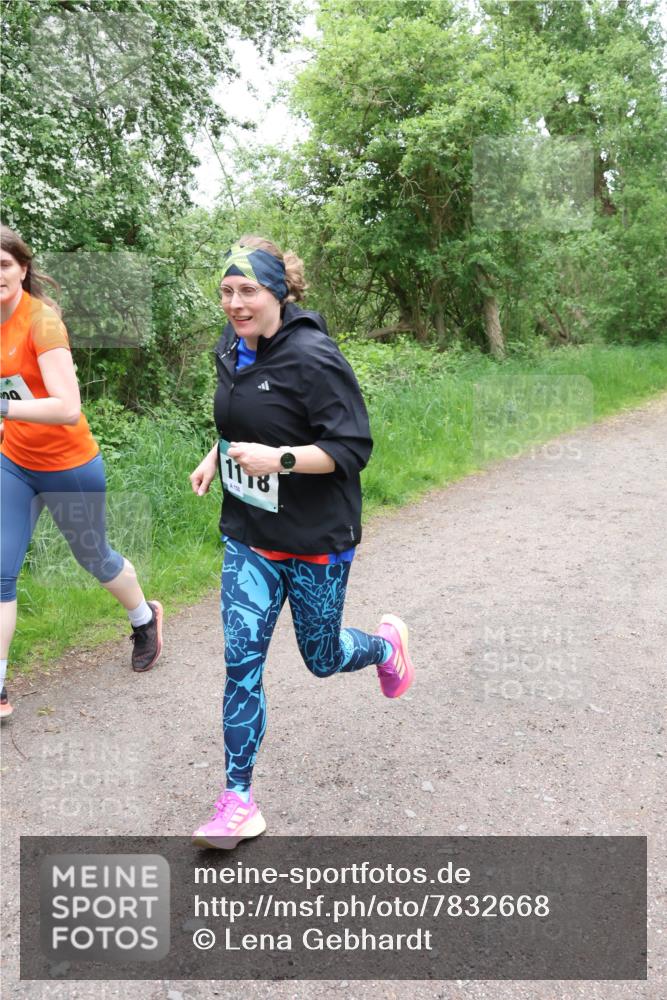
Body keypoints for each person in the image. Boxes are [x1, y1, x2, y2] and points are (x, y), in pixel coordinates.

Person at [189, 235, 415, 849]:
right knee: (241, 668)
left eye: (249, 291)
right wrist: (217, 456)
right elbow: (244, 423)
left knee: (322, 657)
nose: (235, 303)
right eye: (227, 292)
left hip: (316, 537)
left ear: (279, 293)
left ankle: (384, 648)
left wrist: (280, 459)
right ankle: (238, 800)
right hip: (250, 536)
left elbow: (351, 449)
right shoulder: (232, 349)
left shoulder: (315, 356)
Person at [0, 225, 163, 720]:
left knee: (95, 558)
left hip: (69, 466)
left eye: (4, 266)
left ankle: (144, 618)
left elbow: (68, 407)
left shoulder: (41, 323)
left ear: (22, 269)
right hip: (14, 463)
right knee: (1, 572)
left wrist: (3, 410)